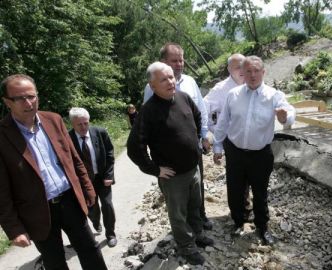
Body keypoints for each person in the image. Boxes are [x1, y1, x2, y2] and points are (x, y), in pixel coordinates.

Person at [0, 74, 108, 270]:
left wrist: (88, 190)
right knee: (55, 261)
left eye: (32, 96)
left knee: (90, 249)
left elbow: (74, 160)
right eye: (20, 98)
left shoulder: (53, 120)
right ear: (7, 102)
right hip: (37, 211)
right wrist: (14, 229)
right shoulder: (2, 135)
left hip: (69, 200)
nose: (28, 102)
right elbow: (1, 190)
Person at [128, 62, 213, 265]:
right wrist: (154, 169)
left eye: (171, 77)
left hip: (193, 169)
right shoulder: (148, 112)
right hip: (173, 177)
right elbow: (134, 147)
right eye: (163, 79)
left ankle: (197, 234)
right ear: (152, 85)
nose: (170, 81)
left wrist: (201, 137)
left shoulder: (183, 98)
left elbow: (198, 115)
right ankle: (186, 246)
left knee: (195, 206)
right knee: (178, 215)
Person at [212, 56, 295, 245]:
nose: (252, 75)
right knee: (235, 190)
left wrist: (285, 117)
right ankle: (238, 222)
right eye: (248, 71)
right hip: (235, 152)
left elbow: (289, 113)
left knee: (260, 192)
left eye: (256, 70)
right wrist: (217, 145)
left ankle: (262, 227)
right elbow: (223, 121)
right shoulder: (233, 95)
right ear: (243, 73)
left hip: (260, 154)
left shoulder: (274, 95)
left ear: (263, 72)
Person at [143, 42, 212, 230]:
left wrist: (203, 135)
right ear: (163, 61)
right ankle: (184, 232)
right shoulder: (152, 88)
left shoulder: (190, 82)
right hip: (170, 158)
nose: (180, 64)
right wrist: (154, 165)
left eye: (181, 59)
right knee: (177, 194)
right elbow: (147, 125)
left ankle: (200, 218)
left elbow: (201, 111)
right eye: (174, 60)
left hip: (193, 149)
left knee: (197, 186)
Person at [203, 53, 253, 223]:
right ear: (229, 69)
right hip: (231, 140)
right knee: (236, 178)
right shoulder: (221, 89)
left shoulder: (253, 83)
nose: (241, 70)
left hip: (252, 139)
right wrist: (213, 129)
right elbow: (204, 108)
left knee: (250, 176)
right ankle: (238, 214)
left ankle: (247, 209)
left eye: (243, 65)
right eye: (236, 67)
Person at [68, 107, 117, 248]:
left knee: (107, 205)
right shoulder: (67, 138)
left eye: (86, 123)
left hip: (102, 178)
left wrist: (109, 175)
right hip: (84, 181)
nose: (84, 127)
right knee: (92, 208)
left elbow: (109, 153)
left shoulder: (100, 132)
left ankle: (110, 234)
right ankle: (96, 222)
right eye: (79, 124)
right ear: (72, 124)